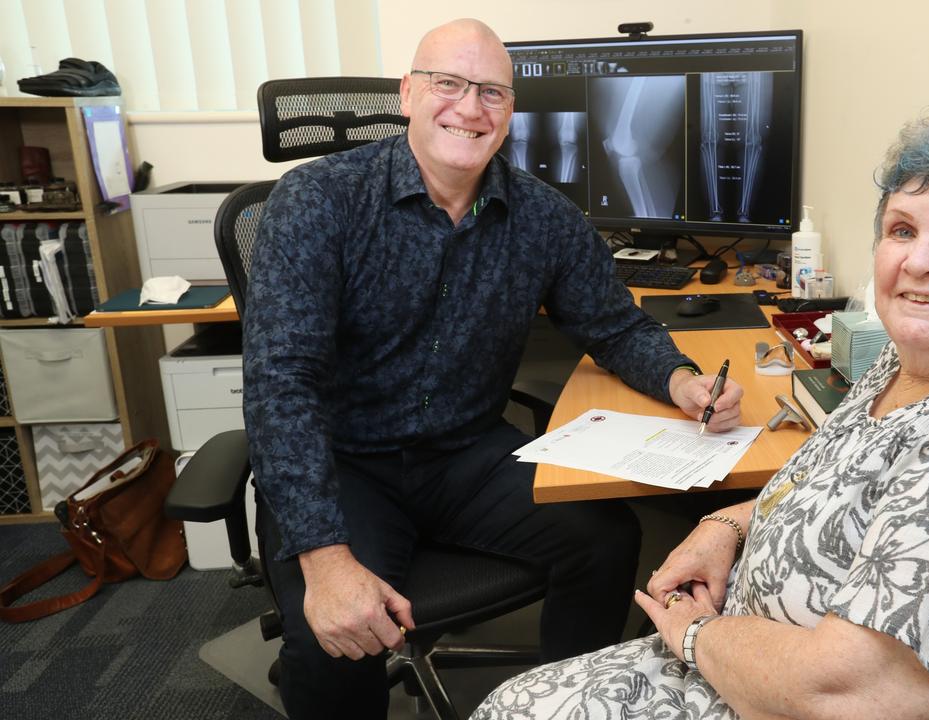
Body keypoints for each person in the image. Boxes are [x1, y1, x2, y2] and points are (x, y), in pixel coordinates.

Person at [473, 99, 929, 720]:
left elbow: (846, 694)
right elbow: (822, 488)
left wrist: (696, 635)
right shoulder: (907, 367)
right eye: (902, 229)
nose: (919, 262)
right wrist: (726, 528)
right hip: (745, 671)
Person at [241, 18, 744, 719]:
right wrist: (325, 562)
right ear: (408, 94)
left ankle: (563, 704)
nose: (470, 108)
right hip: (343, 460)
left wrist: (682, 380)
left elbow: (614, 323)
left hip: (465, 455)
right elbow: (280, 385)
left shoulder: (544, 217)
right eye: (448, 84)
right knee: (338, 636)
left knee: (606, 540)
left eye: (492, 93)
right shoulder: (317, 202)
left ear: (510, 111)